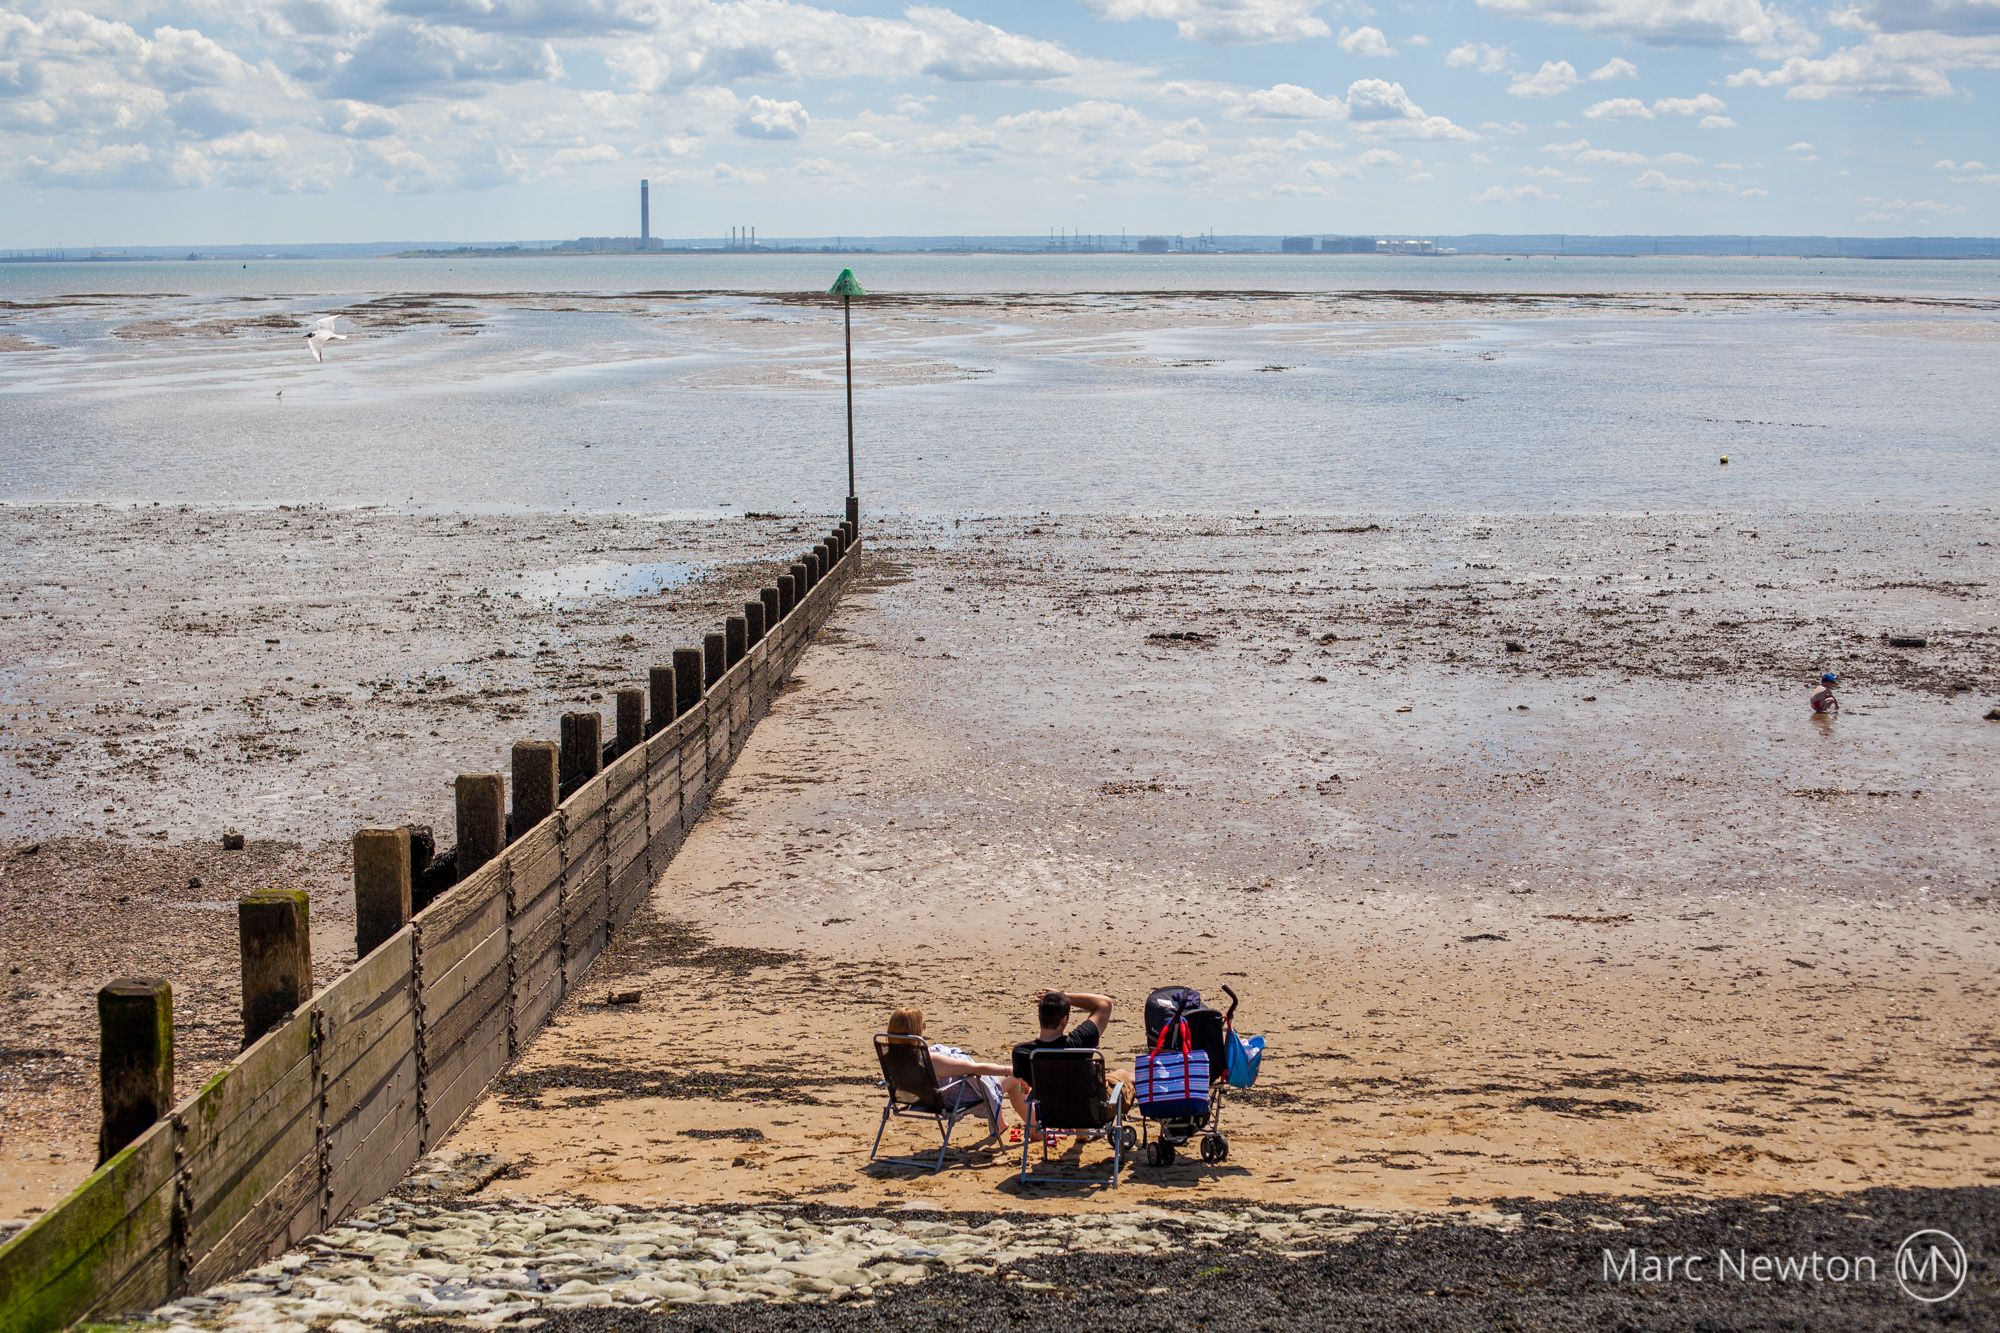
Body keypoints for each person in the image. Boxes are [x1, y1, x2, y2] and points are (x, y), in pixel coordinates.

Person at [886, 1006, 1020, 1142]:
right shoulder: (930, 1061)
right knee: (1012, 1080)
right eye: (923, 1025)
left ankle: (1001, 1123)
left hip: (921, 1101)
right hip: (950, 1101)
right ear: (916, 1032)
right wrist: (1009, 1070)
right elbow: (974, 1068)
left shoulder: (890, 1058)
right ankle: (1034, 1129)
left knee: (993, 1080)